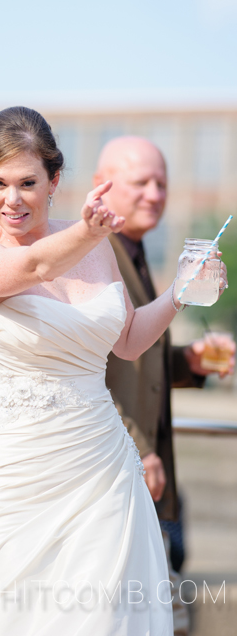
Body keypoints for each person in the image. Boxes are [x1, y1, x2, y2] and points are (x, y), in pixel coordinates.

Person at [0, 106, 224, 635]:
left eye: (28, 182)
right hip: (19, 472)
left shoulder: (94, 248)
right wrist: (91, 233)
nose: (12, 198)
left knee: (103, 616)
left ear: (55, 181)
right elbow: (34, 266)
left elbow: (126, 341)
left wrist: (180, 292)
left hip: (104, 465)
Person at [94, 136, 234, 634]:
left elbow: (135, 351)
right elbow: (83, 369)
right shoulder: (92, 257)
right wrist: (134, 446)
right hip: (120, 473)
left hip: (154, 476)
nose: (155, 193)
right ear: (101, 186)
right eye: (141, 182)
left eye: (162, 183)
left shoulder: (133, 252)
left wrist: (189, 362)